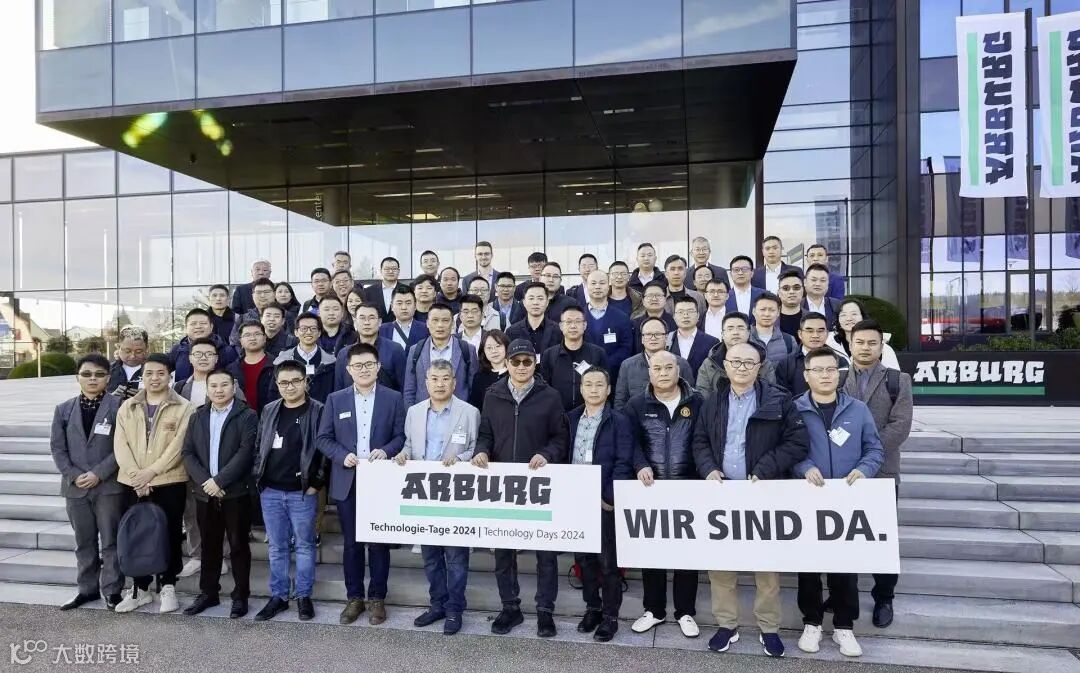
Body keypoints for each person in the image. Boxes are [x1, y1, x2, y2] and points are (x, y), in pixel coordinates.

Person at [691, 342, 809, 658]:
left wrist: (766, 467)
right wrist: (708, 468)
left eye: (749, 363)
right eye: (736, 362)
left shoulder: (778, 400)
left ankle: (769, 628)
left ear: (759, 367)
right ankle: (726, 625)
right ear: (725, 366)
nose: (741, 367)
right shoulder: (713, 401)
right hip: (723, 494)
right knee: (721, 567)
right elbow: (700, 441)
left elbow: (797, 442)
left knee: (766, 567)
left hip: (762, 494)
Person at [471, 339, 569, 638]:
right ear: (507, 364)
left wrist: (547, 454)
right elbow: (485, 434)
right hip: (503, 486)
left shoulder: (550, 396)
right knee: (503, 552)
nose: (522, 366)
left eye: (527, 362)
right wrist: (482, 451)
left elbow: (560, 438)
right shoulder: (492, 395)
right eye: (516, 362)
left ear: (535, 364)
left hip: (539, 485)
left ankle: (545, 611)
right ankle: (510, 607)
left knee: (545, 554)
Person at [794, 347, 885, 658]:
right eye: (818, 370)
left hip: (847, 499)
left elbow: (875, 448)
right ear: (806, 375)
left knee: (845, 566)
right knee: (809, 566)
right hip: (808, 499)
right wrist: (805, 467)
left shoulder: (858, 410)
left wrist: (865, 469)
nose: (825, 375)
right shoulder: (795, 410)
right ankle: (812, 622)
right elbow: (788, 449)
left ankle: (844, 626)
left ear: (838, 374)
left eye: (831, 369)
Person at [316, 343, 406, 626]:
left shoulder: (394, 398)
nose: (364, 369)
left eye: (369, 364)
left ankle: (377, 598)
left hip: (381, 480)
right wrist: (342, 456)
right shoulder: (335, 399)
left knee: (379, 542)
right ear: (348, 369)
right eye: (358, 365)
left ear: (378, 367)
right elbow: (323, 438)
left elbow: (401, 436)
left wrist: (387, 451)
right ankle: (354, 598)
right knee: (352, 543)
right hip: (348, 479)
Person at [395, 359, 481, 636]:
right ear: (426, 383)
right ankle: (437, 605)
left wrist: (462, 459)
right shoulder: (414, 412)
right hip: (424, 496)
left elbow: (476, 448)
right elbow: (409, 445)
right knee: (431, 556)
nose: (440, 384)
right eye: (434, 379)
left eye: (445, 379)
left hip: (455, 496)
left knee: (455, 557)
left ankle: (455, 608)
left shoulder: (469, 412)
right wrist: (403, 455)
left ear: (454, 383)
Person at [624, 351, 703, 638]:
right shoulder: (636, 404)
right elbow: (630, 442)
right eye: (657, 368)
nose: (663, 373)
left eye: (669, 367)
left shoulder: (697, 402)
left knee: (687, 555)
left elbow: (704, 441)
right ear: (649, 372)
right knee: (652, 552)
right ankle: (654, 610)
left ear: (678, 370)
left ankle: (685, 611)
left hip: (688, 487)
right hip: (651, 489)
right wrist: (640, 465)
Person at [842, 319, 913, 629]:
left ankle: (884, 596)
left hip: (882, 472)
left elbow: (900, 426)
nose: (865, 348)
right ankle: (843, 595)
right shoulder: (836, 376)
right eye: (860, 342)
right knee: (843, 537)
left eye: (872, 342)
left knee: (882, 539)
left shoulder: (898, 380)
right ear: (850, 344)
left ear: (881, 346)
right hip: (841, 474)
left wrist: (866, 456)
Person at [113, 354, 196, 614]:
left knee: (169, 533)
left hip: (168, 482)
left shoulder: (185, 407)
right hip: (132, 483)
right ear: (142, 376)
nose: (154, 378)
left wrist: (150, 473)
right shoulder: (128, 407)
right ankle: (140, 589)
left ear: (170, 376)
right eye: (148, 373)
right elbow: (120, 444)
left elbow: (178, 447)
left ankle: (168, 586)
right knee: (137, 534)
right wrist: (136, 476)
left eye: (160, 373)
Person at [252, 360, 329, 623]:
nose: (290, 386)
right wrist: (258, 477)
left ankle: (304, 596)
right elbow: (259, 445)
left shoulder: (318, 410)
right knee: (277, 547)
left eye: (296, 381)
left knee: (305, 545)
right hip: (271, 490)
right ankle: (279, 596)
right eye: (284, 382)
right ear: (277, 384)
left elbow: (324, 450)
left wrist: (317, 482)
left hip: (302, 492)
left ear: (305, 382)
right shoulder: (270, 409)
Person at [180, 369, 257, 619]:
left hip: (235, 492)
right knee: (209, 545)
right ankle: (208, 593)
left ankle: (240, 596)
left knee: (238, 545)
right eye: (213, 385)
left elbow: (246, 452)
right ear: (207, 389)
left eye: (224, 384)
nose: (219, 390)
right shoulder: (198, 416)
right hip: (205, 493)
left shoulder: (247, 415)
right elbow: (188, 452)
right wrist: (207, 482)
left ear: (234, 386)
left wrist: (220, 481)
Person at [51, 353, 125, 611]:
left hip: (108, 487)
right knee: (84, 542)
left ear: (108, 378)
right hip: (75, 488)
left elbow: (124, 447)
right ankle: (87, 589)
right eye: (87, 374)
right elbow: (58, 449)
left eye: (99, 374)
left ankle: (113, 591)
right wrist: (73, 475)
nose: (92, 379)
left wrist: (99, 473)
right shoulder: (63, 409)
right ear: (77, 377)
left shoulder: (119, 407)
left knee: (111, 541)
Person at [568, 366, 635, 642]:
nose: (593, 389)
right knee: (583, 560)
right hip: (575, 500)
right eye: (588, 384)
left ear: (608, 390)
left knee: (607, 563)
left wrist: (608, 497)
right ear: (581, 389)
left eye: (599, 385)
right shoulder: (571, 418)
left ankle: (610, 617)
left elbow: (623, 462)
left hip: (603, 503)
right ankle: (592, 608)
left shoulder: (619, 421)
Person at [404, 303, 476, 407]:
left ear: (452, 323)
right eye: (435, 320)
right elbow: (409, 389)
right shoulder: (415, 350)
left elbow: (473, 389)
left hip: (459, 412)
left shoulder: (467, 350)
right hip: (424, 413)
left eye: (445, 320)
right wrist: (412, 413)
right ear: (427, 323)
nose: (440, 325)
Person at [614, 317, 695, 410]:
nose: (653, 338)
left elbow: (690, 397)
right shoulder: (628, 365)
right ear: (642, 339)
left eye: (657, 334)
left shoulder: (681, 364)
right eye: (648, 334)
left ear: (666, 337)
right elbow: (620, 402)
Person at [539, 305, 609, 410]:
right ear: (561, 326)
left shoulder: (597, 353)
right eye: (568, 322)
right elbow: (544, 389)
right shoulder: (549, 355)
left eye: (577, 321)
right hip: (557, 412)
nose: (573, 326)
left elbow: (605, 385)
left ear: (584, 325)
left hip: (589, 412)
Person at [696, 312, 778, 398]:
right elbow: (703, 395)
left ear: (748, 333)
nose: (735, 332)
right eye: (730, 328)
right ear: (722, 334)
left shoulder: (763, 362)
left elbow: (770, 394)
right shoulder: (710, 364)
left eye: (740, 328)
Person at [334, 304, 407, 392]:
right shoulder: (344, 354)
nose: (367, 322)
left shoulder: (395, 350)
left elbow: (404, 387)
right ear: (355, 322)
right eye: (362, 318)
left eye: (371, 318)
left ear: (380, 322)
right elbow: (338, 390)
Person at [775, 312, 849, 398]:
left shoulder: (840, 362)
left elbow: (843, 394)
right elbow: (782, 397)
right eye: (810, 331)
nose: (815, 335)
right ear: (800, 334)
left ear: (827, 333)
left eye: (820, 331)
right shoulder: (786, 364)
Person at [582, 270, 633, 380]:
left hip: (613, 376)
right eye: (593, 283)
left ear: (609, 285)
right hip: (583, 376)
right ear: (587, 286)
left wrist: (605, 364)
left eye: (602, 283)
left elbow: (626, 347)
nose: (597, 287)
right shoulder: (578, 316)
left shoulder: (621, 317)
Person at [276, 313, 337, 403]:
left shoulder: (331, 362)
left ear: (319, 333)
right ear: (296, 332)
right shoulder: (282, 360)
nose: (308, 332)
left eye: (313, 328)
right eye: (304, 328)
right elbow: (274, 393)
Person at [828, 298, 900, 370]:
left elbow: (894, 374)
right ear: (838, 320)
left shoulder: (883, 348)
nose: (849, 318)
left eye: (854, 314)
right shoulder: (829, 345)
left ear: (863, 317)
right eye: (843, 315)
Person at [171, 308, 237, 382]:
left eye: (203, 323)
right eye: (193, 324)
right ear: (186, 327)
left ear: (211, 327)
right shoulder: (177, 350)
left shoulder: (227, 351)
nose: (198, 326)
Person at [226, 321, 276, 415]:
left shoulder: (277, 365)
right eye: (247, 335)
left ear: (264, 338)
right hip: (241, 419)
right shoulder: (231, 369)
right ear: (240, 341)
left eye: (257, 334)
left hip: (270, 417)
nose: (252, 338)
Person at [505, 282, 560, 356]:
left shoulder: (558, 331)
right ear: (524, 302)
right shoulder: (512, 332)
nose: (535, 303)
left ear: (547, 302)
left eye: (540, 298)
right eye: (531, 298)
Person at [669, 295, 720, 375]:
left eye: (690, 311)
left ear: (698, 315)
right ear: (674, 316)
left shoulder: (712, 342)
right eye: (680, 312)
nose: (685, 315)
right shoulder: (667, 340)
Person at [228, 278, 278, 347]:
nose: (262, 296)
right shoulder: (243, 319)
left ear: (274, 294)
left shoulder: (286, 316)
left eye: (266, 292)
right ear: (252, 295)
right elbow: (234, 343)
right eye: (258, 292)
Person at [750, 292, 798, 363]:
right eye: (762, 309)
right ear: (754, 311)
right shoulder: (745, 337)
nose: (767, 314)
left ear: (778, 312)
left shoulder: (789, 340)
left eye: (772, 310)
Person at [379, 286, 430, 351]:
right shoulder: (382, 330)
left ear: (415, 306)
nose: (404, 307)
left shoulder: (425, 329)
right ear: (392, 306)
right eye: (399, 303)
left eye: (408, 303)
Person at [469, 330, 510, 410]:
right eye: (489, 348)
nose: (494, 351)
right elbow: (476, 408)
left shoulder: (516, 372)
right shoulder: (479, 378)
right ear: (483, 351)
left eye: (498, 346)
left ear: (506, 347)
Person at [363, 256, 409, 323]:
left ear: (398, 271)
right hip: (376, 328)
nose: (390, 271)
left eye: (394, 269)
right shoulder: (369, 291)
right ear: (381, 271)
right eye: (387, 269)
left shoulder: (407, 290)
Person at [107, 325, 148, 398]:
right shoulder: (107, 371)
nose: (133, 356)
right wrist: (112, 398)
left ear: (147, 348)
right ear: (118, 347)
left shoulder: (157, 371)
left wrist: (148, 396)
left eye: (138, 351)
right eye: (127, 351)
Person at [631, 281, 676, 346]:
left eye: (658, 295)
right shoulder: (634, 325)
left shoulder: (675, 323)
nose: (654, 299)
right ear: (643, 301)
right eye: (650, 295)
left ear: (665, 299)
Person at [777, 269, 806, 338]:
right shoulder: (769, 318)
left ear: (803, 291)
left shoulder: (812, 318)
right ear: (779, 293)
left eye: (796, 288)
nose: (791, 292)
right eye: (786, 288)